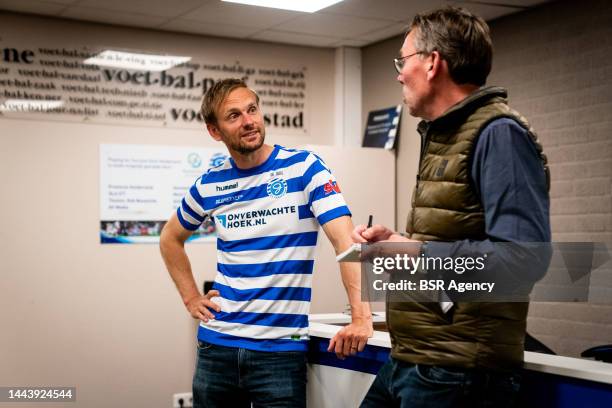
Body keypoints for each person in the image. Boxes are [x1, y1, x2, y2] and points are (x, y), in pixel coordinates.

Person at [354, 6, 551, 408]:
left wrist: (415, 252)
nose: (397, 73)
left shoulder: (499, 135)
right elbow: (453, 243)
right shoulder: (446, 135)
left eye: (402, 60)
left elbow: (523, 259)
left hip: (458, 372)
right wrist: (399, 243)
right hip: (417, 358)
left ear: (432, 63)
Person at [159, 78, 372, 408]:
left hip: (280, 353)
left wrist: (361, 317)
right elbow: (170, 238)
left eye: (252, 110)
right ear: (214, 131)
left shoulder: (305, 168)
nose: (248, 121)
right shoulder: (210, 184)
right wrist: (190, 298)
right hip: (218, 347)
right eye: (233, 116)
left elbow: (345, 243)